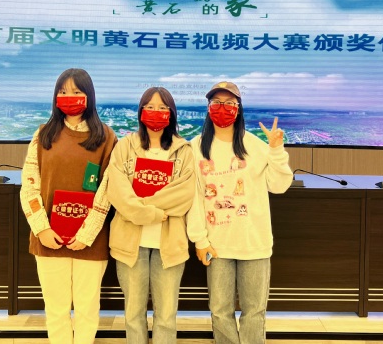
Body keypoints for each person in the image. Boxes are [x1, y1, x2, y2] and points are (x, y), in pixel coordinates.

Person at [187, 81, 293, 344]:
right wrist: (200, 240)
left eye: (229, 103)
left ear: (239, 108)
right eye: (216, 103)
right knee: (219, 311)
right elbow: (194, 198)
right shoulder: (195, 147)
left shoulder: (255, 146)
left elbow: (279, 186)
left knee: (254, 312)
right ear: (208, 108)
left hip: (254, 243)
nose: (222, 108)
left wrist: (276, 150)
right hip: (216, 245)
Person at [20, 68, 117, 344]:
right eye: (63, 91)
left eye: (76, 91)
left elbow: (108, 190)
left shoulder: (106, 137)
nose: (69, 96)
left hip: (90, 240)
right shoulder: (43, 135)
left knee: (87, 308)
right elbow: (29, 185)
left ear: (89, 96)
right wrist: (42, 229)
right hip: (49, 238)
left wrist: (87, 233)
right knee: (56, 309)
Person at [106, 87, 195, 343]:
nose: (156, 112)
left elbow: (183, 196)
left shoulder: (184, 151)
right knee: (133, 314)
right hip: (129, 245)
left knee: (166, 315)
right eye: (150, 107)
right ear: (141, 111)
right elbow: (117, 193)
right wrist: (153, 212)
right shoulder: (124, 147)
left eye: (163, 108)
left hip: (170, 245)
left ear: (172, 113)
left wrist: (139, 208)